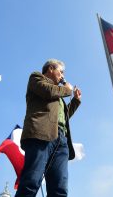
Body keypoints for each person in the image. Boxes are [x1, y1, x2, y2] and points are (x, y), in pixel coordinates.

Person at [15, 59, 82, 197]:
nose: (63, 76)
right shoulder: (36, 78)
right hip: (41, 134)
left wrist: (75, 100)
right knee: (31, 181)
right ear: (51, 68)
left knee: (59, 189)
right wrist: (67, 90)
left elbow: (64, 115)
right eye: (61, 72)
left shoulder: (59, 96)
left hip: (62, 141)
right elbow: (47, 91)